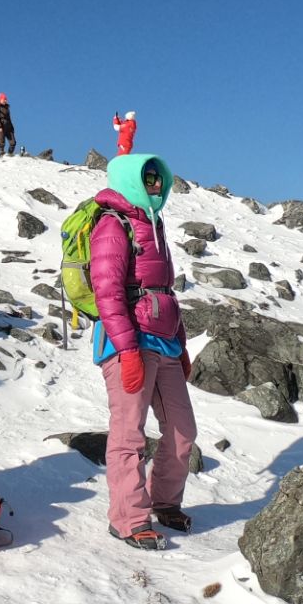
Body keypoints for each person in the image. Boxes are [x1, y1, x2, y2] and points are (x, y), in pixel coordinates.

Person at [90, 153, 195, 550]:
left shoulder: (154, 223)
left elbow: (164, 292)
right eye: (146, 176)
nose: (154, 182)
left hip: (165, 342)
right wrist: (128, 349)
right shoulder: (112, 225)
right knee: (128, 434)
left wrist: (181, 344)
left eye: (158, 176)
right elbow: (108, 293)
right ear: (130, 180)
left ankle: (164, 502)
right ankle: (128, 519)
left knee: (184, 431)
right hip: (129, 341)